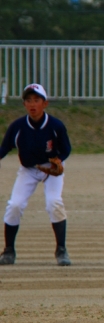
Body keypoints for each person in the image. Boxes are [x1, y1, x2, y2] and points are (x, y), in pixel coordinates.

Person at [0, 83, 72, 265]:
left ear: (45, 103)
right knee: (15, 205)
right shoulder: (17, 127)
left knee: (54, 202)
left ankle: (61, 250)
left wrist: (59, 160)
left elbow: (66, 149)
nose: (32, 104)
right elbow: (4, 148)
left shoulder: (55, 126)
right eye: (28, 100)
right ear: (24, 104)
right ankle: (9, 250)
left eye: (36, 100)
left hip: (52, 169)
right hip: (29, 170)